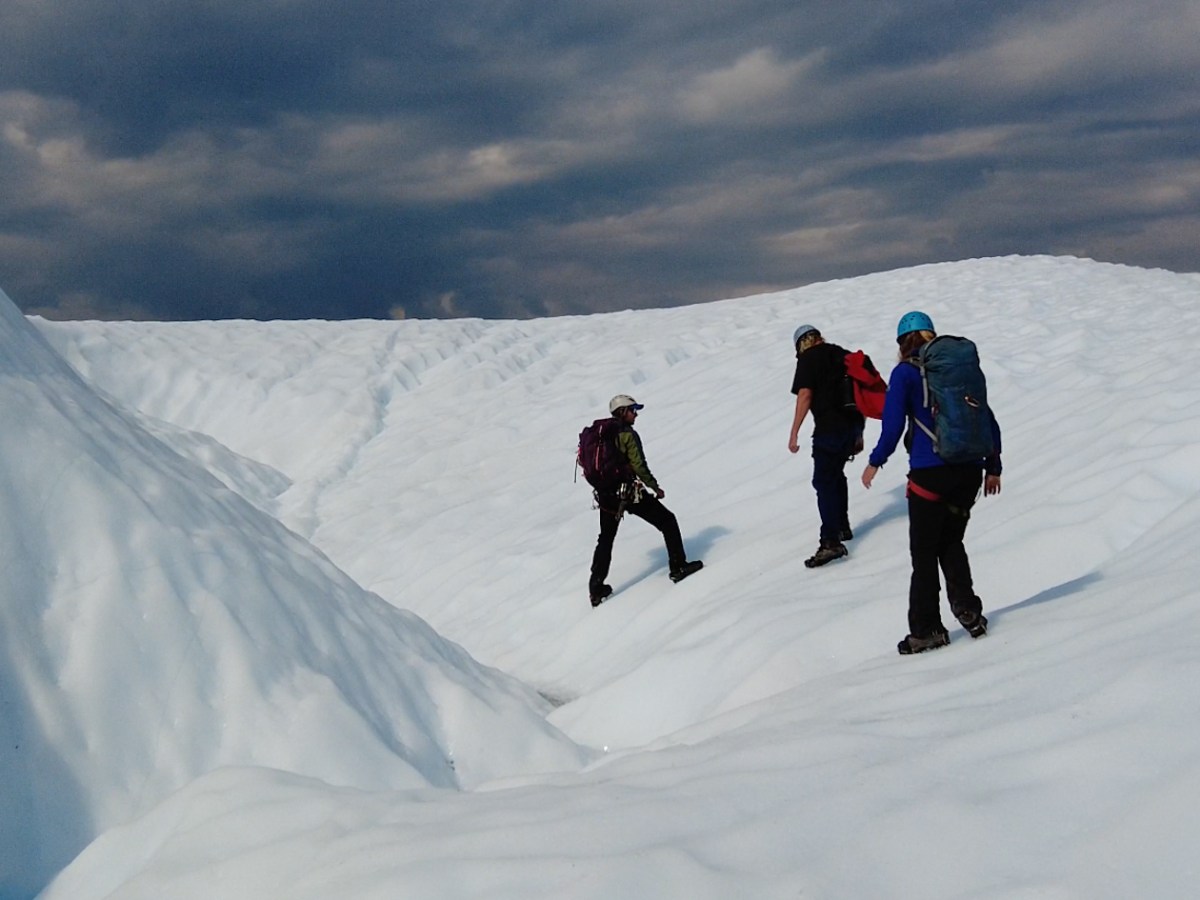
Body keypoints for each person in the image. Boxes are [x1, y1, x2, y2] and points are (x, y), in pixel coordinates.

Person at [861, 311, 1003, 655]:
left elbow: (893, 425)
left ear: (902, 342)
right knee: (951, 541)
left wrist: (875, 461)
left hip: (929, 475)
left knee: (924, 555)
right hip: (969, 472)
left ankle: (926, 630)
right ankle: (969, 610)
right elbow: (986, 417)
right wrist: (993, 466)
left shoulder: (905, 374)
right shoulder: (956, 372)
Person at [588, 394, 703, 607]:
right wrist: (655, 487)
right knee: (667, 521)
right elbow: (639, 465)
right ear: (623, 411)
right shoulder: (627, 434)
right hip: (628, 493)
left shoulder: (601, 435)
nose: (636, 415)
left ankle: (596, 589)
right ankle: (678, 567)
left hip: (606, 495)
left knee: (606, 538)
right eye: (633, 410)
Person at [787, 325, 865, 567]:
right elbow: (859, 393)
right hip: (851, 428)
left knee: (823, 481)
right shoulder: (842, 354)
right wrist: (859, 433)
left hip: (828, 429)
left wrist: (794, 432)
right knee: (836, 474)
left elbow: (805, 395)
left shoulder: (808, 359)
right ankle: (842, 526)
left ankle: (830, 541)